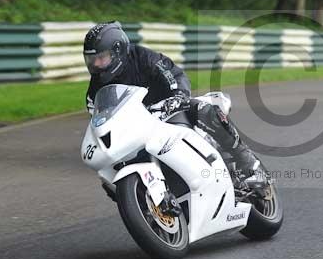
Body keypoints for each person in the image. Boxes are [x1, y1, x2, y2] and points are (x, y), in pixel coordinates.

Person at [83, 21, 264, 187]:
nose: (96, 65)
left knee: (202, 110)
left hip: (168, 107)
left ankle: (248, 162)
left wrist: (177, 95)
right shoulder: (94, 91)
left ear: (117, 51)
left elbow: (172, 74)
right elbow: (100, 121)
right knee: (108, 179)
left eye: (101, 58)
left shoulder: (143, 58)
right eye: (92, 60)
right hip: (139, 127)